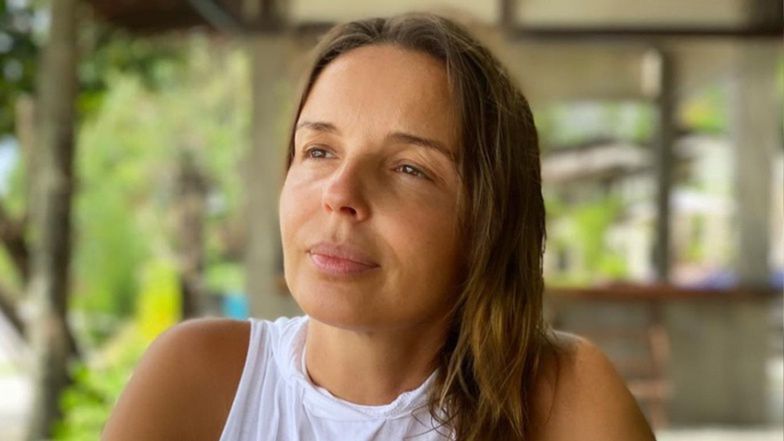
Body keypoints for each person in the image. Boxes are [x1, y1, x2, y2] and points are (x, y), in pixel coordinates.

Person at [102, 13, 656, 441]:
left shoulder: (565, 399)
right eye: (319, 150)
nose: (340, 194)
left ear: (489, 219)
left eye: (409, 168)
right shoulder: (198, 379)